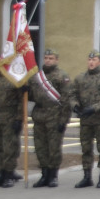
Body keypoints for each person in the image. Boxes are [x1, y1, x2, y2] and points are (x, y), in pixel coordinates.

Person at [68, 51, 100, 188]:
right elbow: (72, 94)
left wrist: (96, 107)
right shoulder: (80, 78)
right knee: (86, 148)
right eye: (89, 59)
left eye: (94, 59)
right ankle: (87, 176)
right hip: (85, 119)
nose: (91, 62)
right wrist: (75, 106)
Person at [28, 49, 72, 188]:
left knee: (53, 148)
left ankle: (53, 176)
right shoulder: (36, 76)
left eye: (51, 58)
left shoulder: (61, 76)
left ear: (56, 60)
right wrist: (25, 91)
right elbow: (32, 96)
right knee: (40, 147)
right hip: (39, 115)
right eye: (46, 58)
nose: (48, 60)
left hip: (55, 116)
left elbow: (66, 101)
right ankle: (44, 174)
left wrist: (63, 121)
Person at [0, 72, 25, 188]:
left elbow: (20, 100)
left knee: (9, 146)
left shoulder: (14, 78)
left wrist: (19, 118)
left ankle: (8, 174)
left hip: (10, 117)